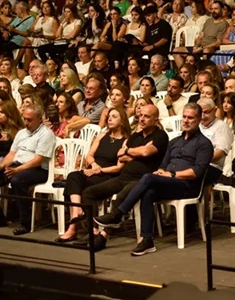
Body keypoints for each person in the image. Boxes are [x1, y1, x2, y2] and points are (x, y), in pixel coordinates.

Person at [94, 103, 214, 256]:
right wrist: (162, 172)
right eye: (184, 117)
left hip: (187, 186)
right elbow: (163, 165)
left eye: (190, 118)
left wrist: (171, 175)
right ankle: (147, 240)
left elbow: (197, 172)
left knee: (148, 178)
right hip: (168, 183)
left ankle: (119, 214)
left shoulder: (204, 144)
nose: (185, 121)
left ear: (199, 119)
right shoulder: (174, 142)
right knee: (148, 191)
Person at [56, 108, 131, 243]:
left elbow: (119, 167)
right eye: (108, 116)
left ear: (122, 121)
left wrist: (100, 170)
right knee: (73, 176)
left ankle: (82, 228)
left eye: (114, 116)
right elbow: (89, 155)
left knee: (82, 189)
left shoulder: (126, 141)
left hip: (108, 175)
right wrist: (95, 165)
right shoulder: (102, 135)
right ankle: (77, 211)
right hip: (93, 170)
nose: (109, 119)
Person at [1, 104, 56, 235]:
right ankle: (1, 219)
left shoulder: (46, 134)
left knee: (17, 180)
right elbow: (11, 154)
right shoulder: (21, 133)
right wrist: (2, 165)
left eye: (29, 120)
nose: (26, 122)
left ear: (39, 119)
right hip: (17, 164)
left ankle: (25, 223)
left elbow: (37, 160)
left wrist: (17, 170)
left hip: (38, 169)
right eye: (25, 119)